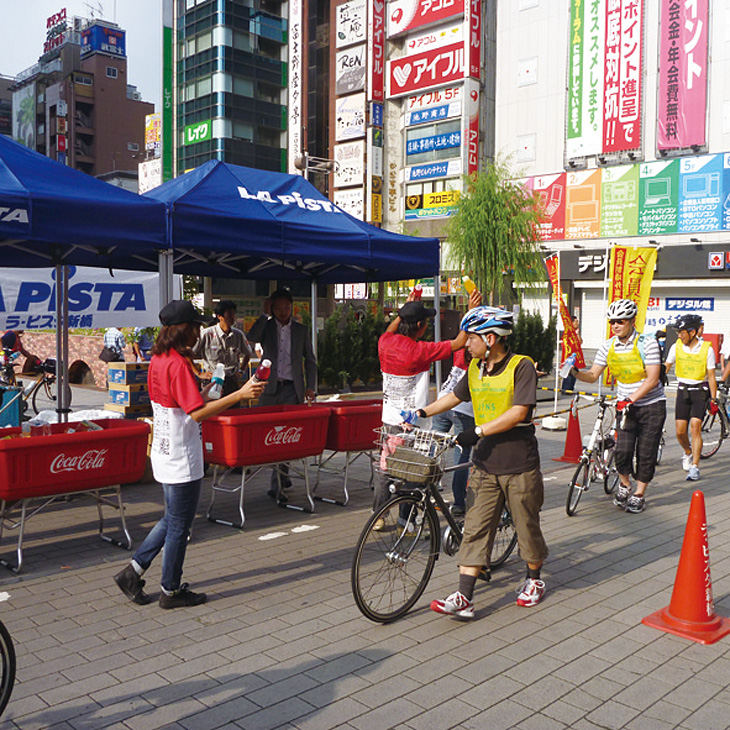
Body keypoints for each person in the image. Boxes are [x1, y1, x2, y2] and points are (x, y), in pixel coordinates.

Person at [114, 300, 265, 609]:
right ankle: (170, 590)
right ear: (184, 330)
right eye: (195, 326)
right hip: (182, 454)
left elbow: (183, 401)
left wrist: (209, 386)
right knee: (179, 525)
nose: (199, 332)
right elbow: (196, 413)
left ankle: (133, 571)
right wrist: (239, 394)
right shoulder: (178, 364)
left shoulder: (159, 359)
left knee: (173, 519)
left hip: (164, 450)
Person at [412, 305, 548, 618]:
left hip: (518, 461)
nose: (465, 343)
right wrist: (423, 412)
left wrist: (478, 430)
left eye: (470, 337)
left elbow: (520, 412)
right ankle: (464, 596)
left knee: (526, 525)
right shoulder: (474, 368)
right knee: (474, 526)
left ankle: (534, 579)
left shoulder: (521, 366)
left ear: (490, 338)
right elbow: (457, 397)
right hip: (485, 462)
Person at [374, 289, 481, 523]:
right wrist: (471, 310)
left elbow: (391, 329)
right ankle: (407, 519)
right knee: (412, 470)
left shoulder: (385, 342)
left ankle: (379, 516)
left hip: (389, 419)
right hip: (414, 422)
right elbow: (460, 342)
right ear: (421, 326)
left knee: (385, 466)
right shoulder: (421, 350)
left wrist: (404, 311)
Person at [571, 299, 666, 514]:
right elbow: (593, 374)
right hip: (626, 407)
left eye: (620, 321)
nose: (615, 325)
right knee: (622, 450)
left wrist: (630, 398)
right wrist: (575, 372)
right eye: (612, 321)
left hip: (651, 405)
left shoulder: (647, 343)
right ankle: (624, 485)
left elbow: (652, 379)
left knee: (646, 452)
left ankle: (640, 493)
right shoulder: (608, 345)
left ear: (632, 321)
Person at [247, 288, 317, 500]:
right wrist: (264, 314)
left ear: (291, 307)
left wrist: (310, 387)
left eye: (286, 307)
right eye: (278, 308)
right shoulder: (266, 327)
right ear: (272, 308)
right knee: (269, 435)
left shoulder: (301, 330)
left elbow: (310, 360)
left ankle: (278, 482)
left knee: (286, 436)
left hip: (292, 389)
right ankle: (280, 474)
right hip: (269, 389)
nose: (283, 312)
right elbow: (251, 337)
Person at [664, 314, 717, 482]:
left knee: (695, 427)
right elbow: (666, 367)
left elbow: (711, 376)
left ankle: (695, 466)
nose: (679, 335)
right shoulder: (676, 347)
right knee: (680, 432)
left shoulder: (707, 349)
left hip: (700, 392)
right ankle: (687, 452)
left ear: (692, 332)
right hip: (682, 391)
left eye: (682, 332)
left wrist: (714, 399)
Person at [431, 347, 474, 516]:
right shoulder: (481, 358)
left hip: (443, 401)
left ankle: (428, 494)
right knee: (461, 456)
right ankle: (458, 502)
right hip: (464, 409)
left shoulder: (462, 348)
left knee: (433, 451)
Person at [194, 300, 252, 398]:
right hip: (211, 381)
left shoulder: (238, 335)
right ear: (219, 316)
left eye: (234, 314)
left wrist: (241, 371)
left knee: (233, 410)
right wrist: (199, 373)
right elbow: (187, 354)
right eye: (229, 314)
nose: (233, 317)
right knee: (212, 410)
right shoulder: (207, 334)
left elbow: (248, 353)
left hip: (231, 380)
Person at [560, 315, 581, 394]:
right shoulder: (568, 333)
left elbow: (580, 342)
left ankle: (570, 388)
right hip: (568, 357)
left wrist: (577, 334)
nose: (577, 323)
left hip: (575, 357)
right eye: (576, 322)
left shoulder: (576, 332)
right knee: (568, 373)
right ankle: (566, 389)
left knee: (574, 373)